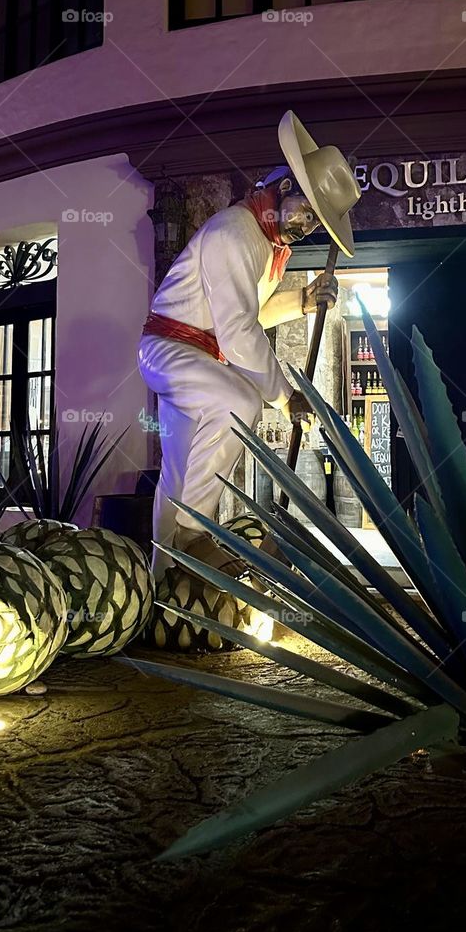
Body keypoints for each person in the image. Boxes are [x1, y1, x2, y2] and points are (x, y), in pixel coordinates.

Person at [138, 111, 362, 583]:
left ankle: (161, 583)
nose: (307, 225)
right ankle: (189, 534)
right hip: (171, 349)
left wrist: (301, 301)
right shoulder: (234, 233)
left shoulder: (265, 244)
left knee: (177, 472)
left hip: (195, 352)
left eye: (316, 221)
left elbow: (245, 315)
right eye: (306, 210)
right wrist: (284, 396)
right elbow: (239, 330)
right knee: (238, 400)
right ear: (283, 189)